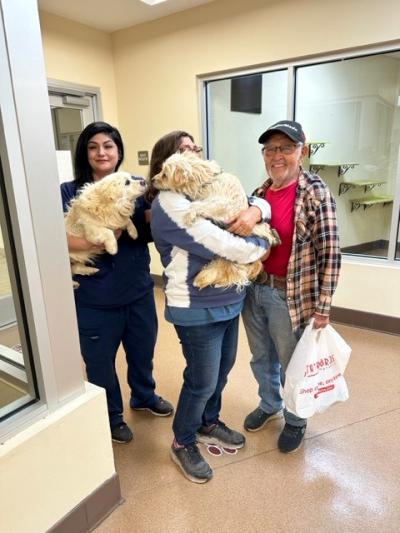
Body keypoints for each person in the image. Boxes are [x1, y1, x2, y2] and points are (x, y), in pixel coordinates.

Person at [148, 130, 271, 483]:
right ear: (168, 164)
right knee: (201, 380)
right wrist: (257, 248)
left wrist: (255, 209)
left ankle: (208, 422)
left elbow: (259, 203)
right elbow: (219, 245)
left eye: (195, 148)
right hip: (195, 306)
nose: (194, 155)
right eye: (183, 151)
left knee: (221, 372)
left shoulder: (211, 187)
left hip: (230, 300)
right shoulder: (168, 203)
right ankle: (183, 441)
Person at [60, 121, 173, 444]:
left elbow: (153, 226)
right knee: (99, 364)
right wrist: (92, 243)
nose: (101, 152)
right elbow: (54, 236)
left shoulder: (133, 186)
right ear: (84, 152)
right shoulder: (69, 192)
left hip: (137, 290)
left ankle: (144, 396)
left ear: (118, 151)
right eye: (93, 146)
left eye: (108, 145)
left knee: (142, 352)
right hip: (94, 298)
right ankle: (111, 416)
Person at [241, 120, 341, 453]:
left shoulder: (314, 191)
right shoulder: (259, 193)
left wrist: (324, 307)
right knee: (261, 357)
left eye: (286, 147)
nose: (277, 155)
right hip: (255, 289)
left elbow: (330, 253)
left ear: (302, 150)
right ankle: (270, 405)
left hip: (289, 295)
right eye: (271, 149)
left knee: (290, 362)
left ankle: (296, 420)